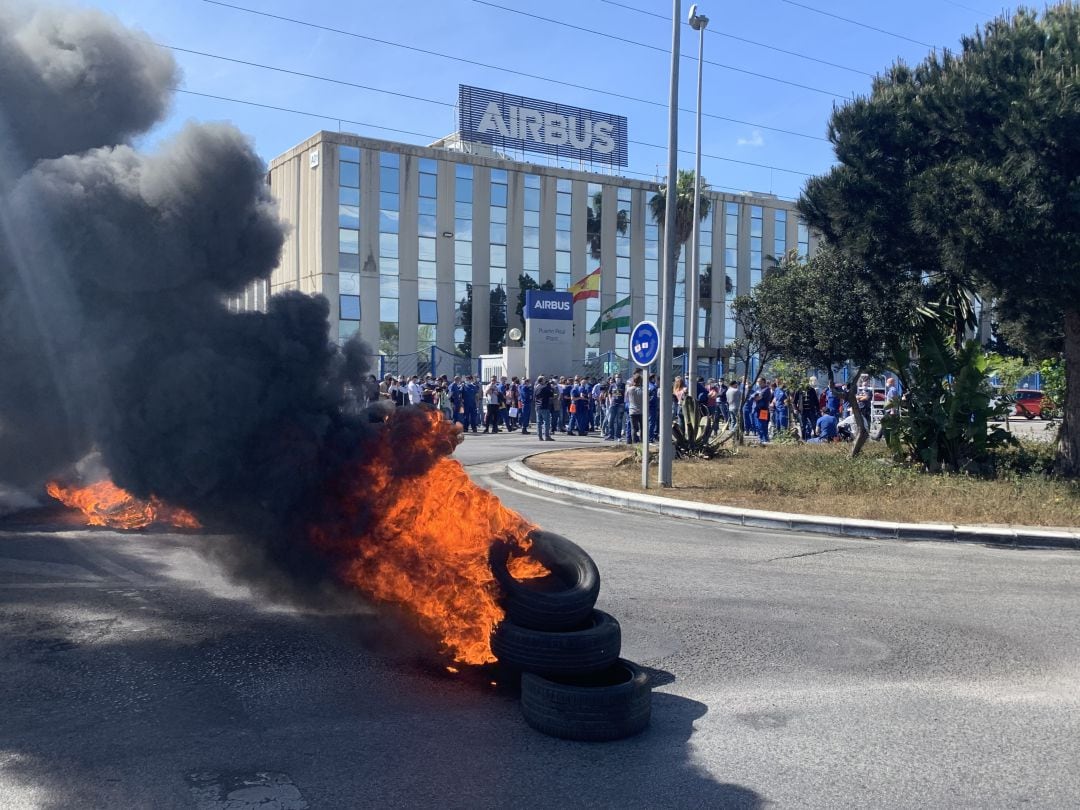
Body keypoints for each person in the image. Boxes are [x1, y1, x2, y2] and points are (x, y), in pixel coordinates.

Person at [794, 376, 820, 441]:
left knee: (814, 424)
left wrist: (818, 410)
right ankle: (803, 438)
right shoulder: (799, 390)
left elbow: (816, 401)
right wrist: (796, 409)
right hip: (802, 411)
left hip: (811, 411)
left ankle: (815, 437)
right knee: (803, 426)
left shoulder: (812, 390)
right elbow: (794, 401)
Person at [751, 376, 772, 444]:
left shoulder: (766, 389)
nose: (757, 383)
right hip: (757, 409)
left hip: (763, 410)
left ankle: (765, 438)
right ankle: (760, 438)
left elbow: (758, 398)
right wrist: (754, 397)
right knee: (758, 425)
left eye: (759, 382)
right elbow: (752, 396)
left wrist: (755, 397)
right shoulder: (758, 388)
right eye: (757, 382)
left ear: (763, 382)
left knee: (762, 425)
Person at [535, 376, 556, 441]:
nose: (545, 381)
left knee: (539, 422)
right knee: (547, 422)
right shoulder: (545, 387)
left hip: (538, 406)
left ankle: (540, 436)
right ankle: (547, 436)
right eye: (544, 380)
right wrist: (550, 387)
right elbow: (551, 395)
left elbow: (534, 397)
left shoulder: (536, 387)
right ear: (541, 381)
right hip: (544, 406)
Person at [625, 373, 643, 444]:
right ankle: (642, 442)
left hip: (632, 411)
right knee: (642, 428)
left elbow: (626, 398)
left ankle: (634, 442)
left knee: (633, 428)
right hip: (641, 411)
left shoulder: (630, 389)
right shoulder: (642, 390)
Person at [606, 376, 625, 440]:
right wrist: (610, 399)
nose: (618, 378)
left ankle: (618, 436)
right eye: (617, 377)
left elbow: (626, 394)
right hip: (613, 404)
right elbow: (609, 393)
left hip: (620, 404)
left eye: (619, 377)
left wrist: (624, 402)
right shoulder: (612, 385)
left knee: (619, 421)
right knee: (611, 420)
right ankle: (611, 435)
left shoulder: (623, 385)